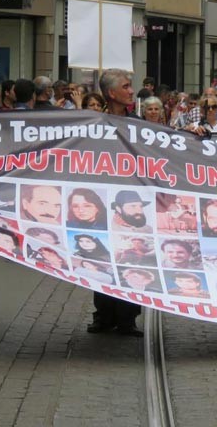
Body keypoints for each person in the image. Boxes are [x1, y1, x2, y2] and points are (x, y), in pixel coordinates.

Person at [87, 68, 146, 336]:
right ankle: (103, 315)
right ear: (111, 93)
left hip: (129, 201)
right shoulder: (94, 124)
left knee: (130, 260)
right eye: (126, 86)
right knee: (103, 259)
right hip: (103, 202)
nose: (131, 91)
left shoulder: (138, 123)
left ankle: (128, 317)